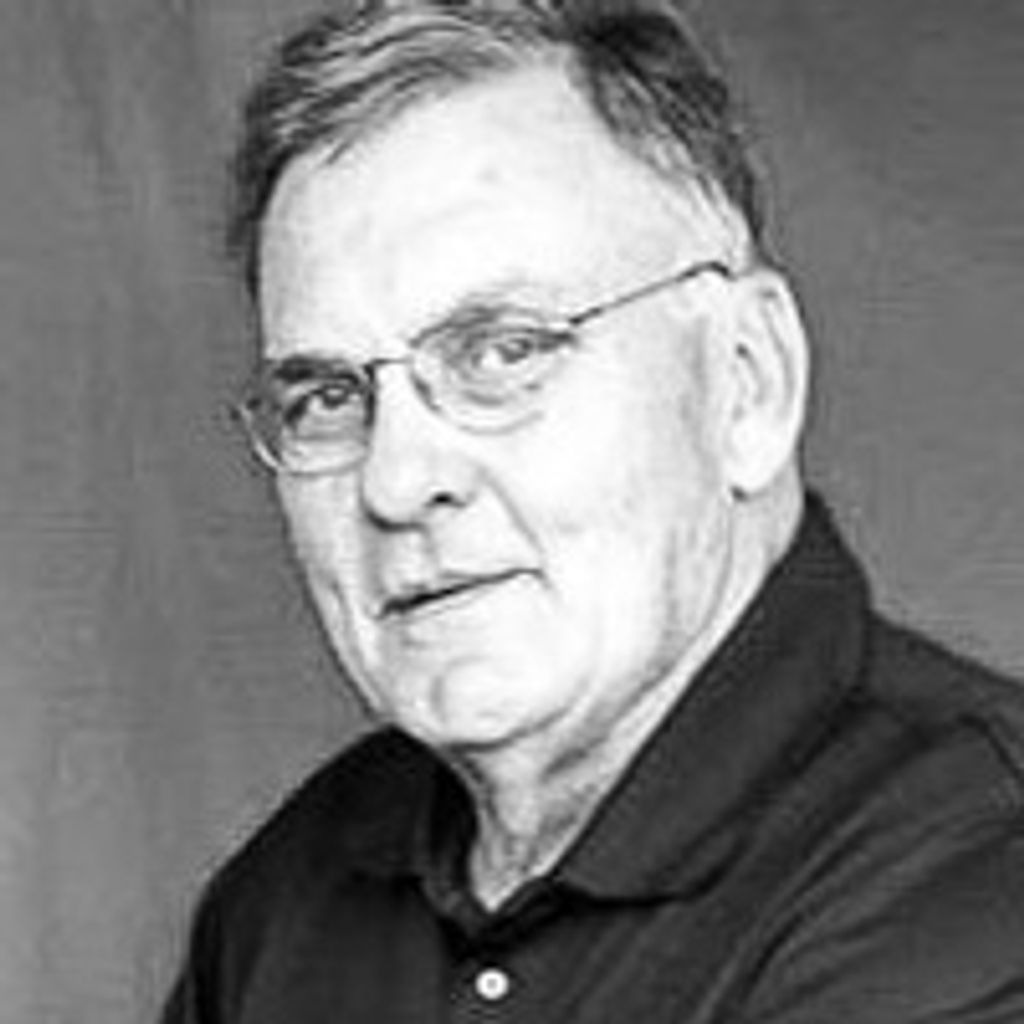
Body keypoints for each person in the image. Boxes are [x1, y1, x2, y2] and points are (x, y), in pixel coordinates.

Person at [162, 1, 1024, 1020]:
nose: (396, 481)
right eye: (327, 397)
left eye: (503, 350)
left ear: (746, 381)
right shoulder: (281, 904)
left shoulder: (977, 877)